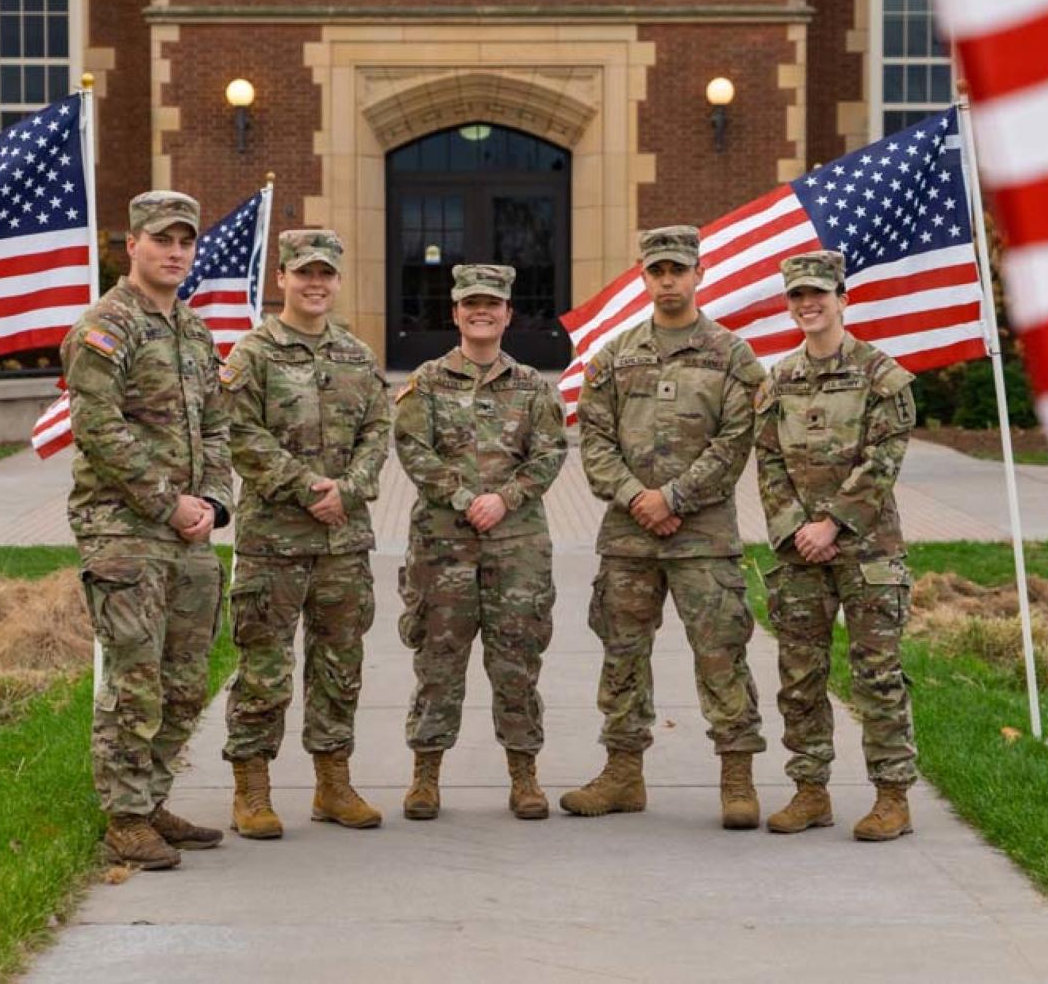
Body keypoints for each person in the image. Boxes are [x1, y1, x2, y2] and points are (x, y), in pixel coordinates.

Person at [563, 225, 768, 829]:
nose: (668, 280)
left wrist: (675, 496)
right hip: (629, 538)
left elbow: (738, 439)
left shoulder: (732, 356)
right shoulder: (614, 356)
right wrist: (636, 497)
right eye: (657, 270)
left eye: (678, 269)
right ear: (644, 276)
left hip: (703, 536)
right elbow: (594, 438)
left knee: (720, 653)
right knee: (623, 655)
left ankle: (737, 778)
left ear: (698, 273)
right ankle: (623, 774)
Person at [62, 190, 233, 871]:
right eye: (161, 239)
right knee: (136, 677)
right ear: (130, 243)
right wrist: (170, 504)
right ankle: (125, 817)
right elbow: (97, 429)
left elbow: (216, 426)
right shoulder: (106, 326)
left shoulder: (194, 331)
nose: (174, 252)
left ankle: (153, 796)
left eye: (184, 241)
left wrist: (214, 503)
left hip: (188, 532)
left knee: (186, 678)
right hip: (124, 530)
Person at [220, 229, 391, 838]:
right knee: (265, 667)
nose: (315, 284)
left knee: (340, 664)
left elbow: (379, 431)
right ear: (282, 279)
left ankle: (333, 785)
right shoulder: (253, 354)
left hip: (343, 540)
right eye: (303, 273)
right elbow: (240, 434)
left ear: (338, 281)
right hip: (275, 541)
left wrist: (346, 490)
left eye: (325, 274)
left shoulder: (356, 355)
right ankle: (252, 790)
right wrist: (306, 487)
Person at [393, 264, 567, 821]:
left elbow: (550, 454)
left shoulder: (534, 387)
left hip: (516, 549)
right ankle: (425, 776)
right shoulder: (427, 382)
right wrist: (467, 498)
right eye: (471, 304)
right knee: (438, 663)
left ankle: (524, 775)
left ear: (508, 313)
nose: (481, 312)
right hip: (443, 549)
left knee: (517, 663)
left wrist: (507, 498)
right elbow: (414, 450)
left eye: (492, 303)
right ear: (456, 313)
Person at [754, 249, 918, 842]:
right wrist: (798, 527)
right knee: (799, 675)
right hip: (799, 552)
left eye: (818, 293)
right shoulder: (778, 380)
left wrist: (833, 525)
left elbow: (883, 460)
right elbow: (768, 461)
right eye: (797, 296)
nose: (808, 304)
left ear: (842, 299)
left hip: (868, 553)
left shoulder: (881, 375)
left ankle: (892, 796)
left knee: (876, 675)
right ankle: (810, 791)